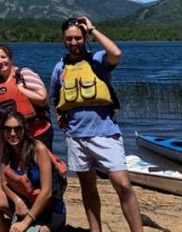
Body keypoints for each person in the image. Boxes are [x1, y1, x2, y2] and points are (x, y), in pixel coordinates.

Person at [49, 16, 142, 232]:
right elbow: (55, 98)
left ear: (84, 38)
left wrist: (93, 29)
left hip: (105, 133)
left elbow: (117, 53)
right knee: (88, 187)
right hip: (76, 137)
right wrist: (59, 118)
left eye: (78, 38)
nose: (74, 43)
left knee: (123, 184)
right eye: (69, 38)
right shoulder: (59, 68)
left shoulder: (98, 60)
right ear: (64, 40)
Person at [0, 112, 67, 232]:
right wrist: (17, 201)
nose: (12, 133)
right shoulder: (5, 149)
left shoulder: (38, 149)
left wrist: (26, 222)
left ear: (24, 129)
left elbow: (47, 192)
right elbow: (4, 184)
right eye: (8, 129)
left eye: (17, 129)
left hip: (49, 210)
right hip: (25, 205)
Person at [0, 44, 52, 150]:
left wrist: (20, 89)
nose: (0, 61)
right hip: (13, 138)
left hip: (38, 134)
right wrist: (1, 146)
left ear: (10, 58)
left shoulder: (24, 74)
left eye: (3, 57)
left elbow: (43, 99)